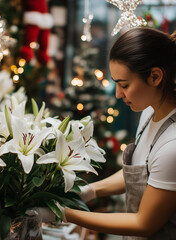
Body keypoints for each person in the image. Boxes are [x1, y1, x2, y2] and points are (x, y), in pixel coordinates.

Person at [58, 27, 176, 239]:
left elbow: (143, 223)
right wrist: (90, 190)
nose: (118, 94)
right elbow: (143, 173)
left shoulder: (172, 145)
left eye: (125, 85)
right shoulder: (149, 111)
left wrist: (65, 214)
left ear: (156, 76)